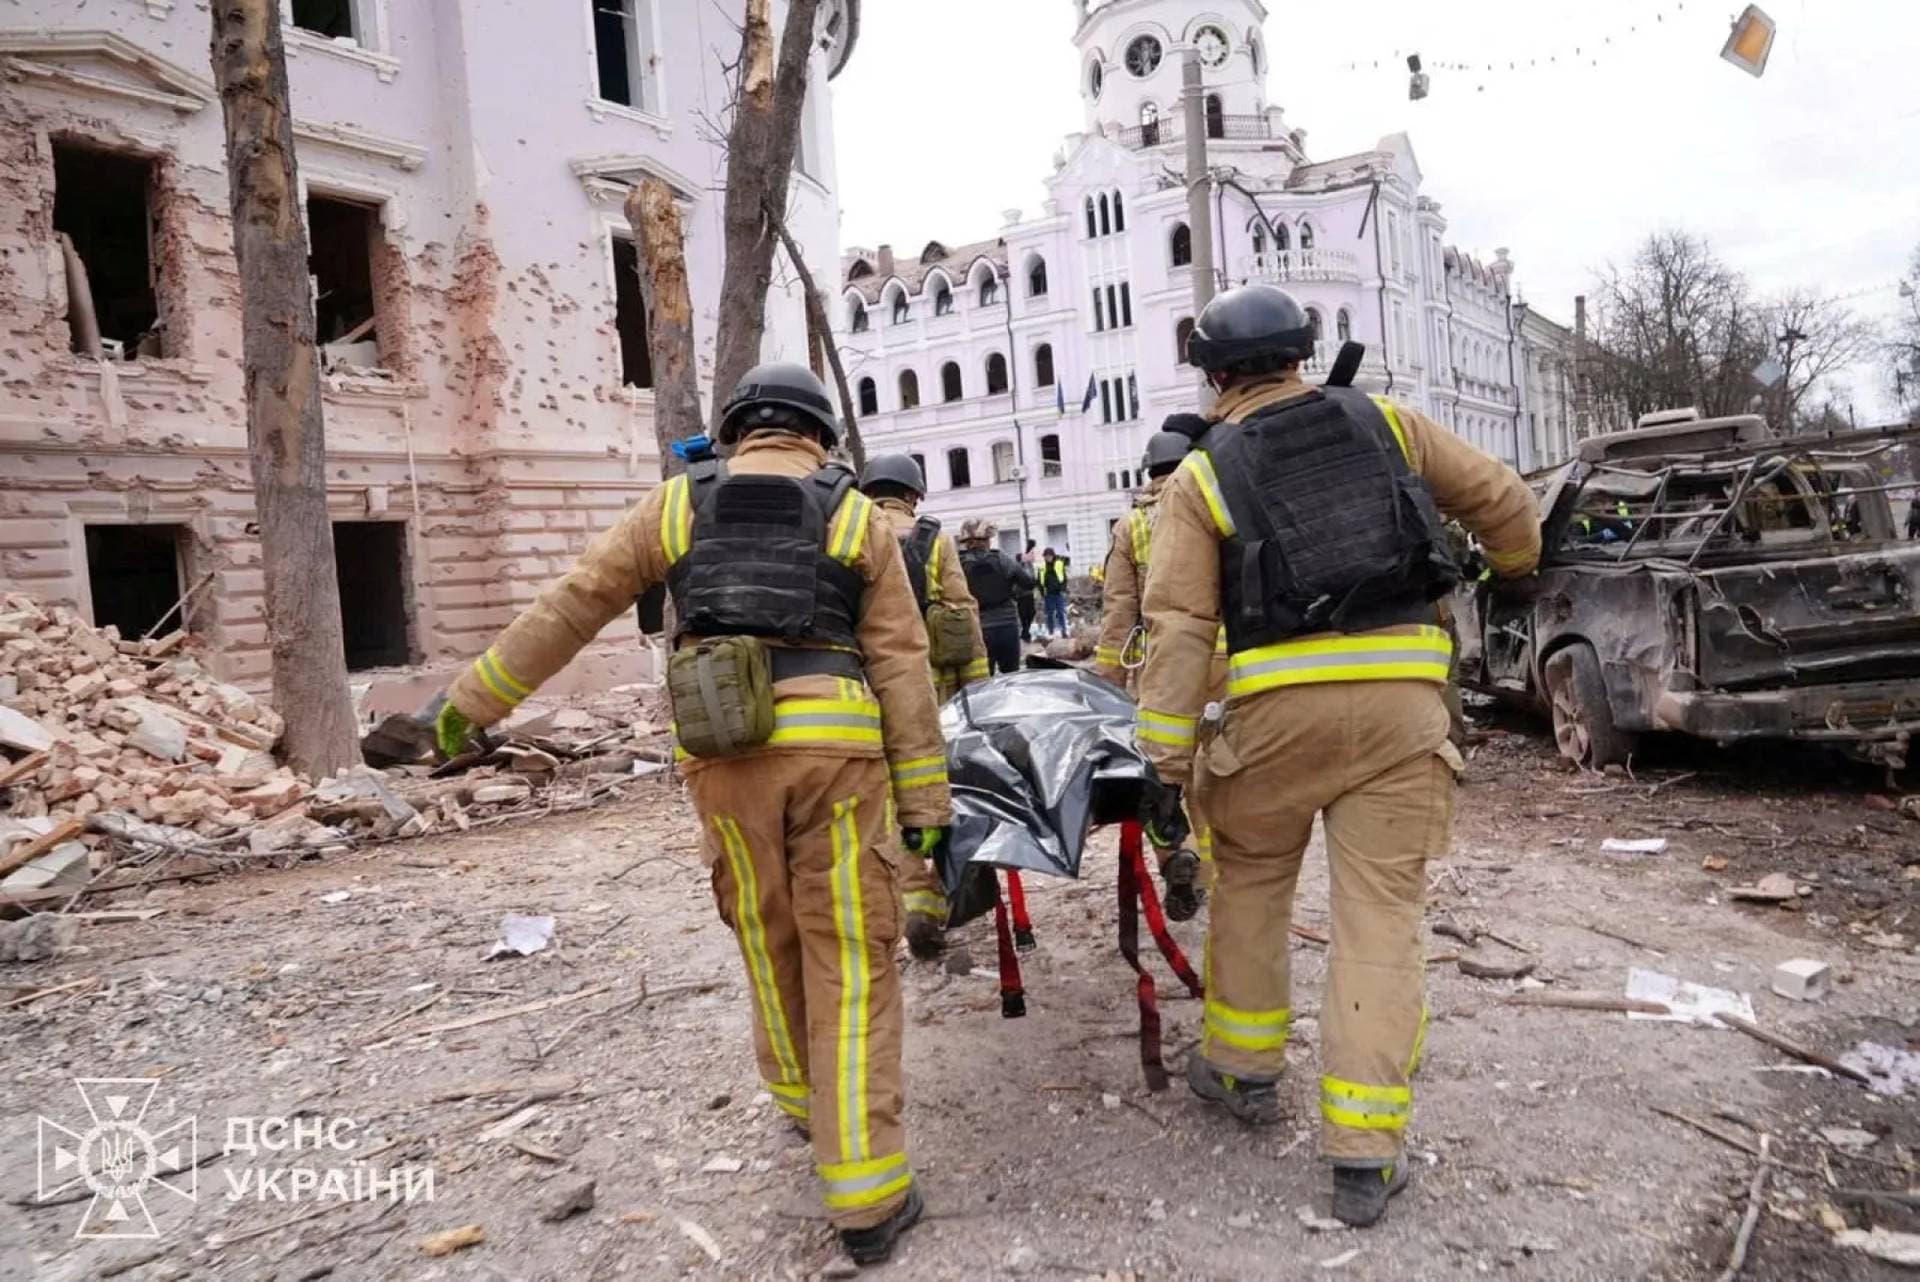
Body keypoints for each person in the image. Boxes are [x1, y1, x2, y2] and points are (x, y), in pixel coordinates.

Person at [433, 364, 946, 1265]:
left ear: (740, 429)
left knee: (767, 933)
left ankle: (800, 1104)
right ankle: (865, 1190)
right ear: (820, 437)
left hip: (723, 757)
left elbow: (575, 602)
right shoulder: (859, 516)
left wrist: (476, 699)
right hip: (839, 764)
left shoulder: (677, 505)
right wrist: (925, 804)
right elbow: (902, 666)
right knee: (853, 962)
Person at [1136, 286, 1540, 1229]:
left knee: (1252, 886)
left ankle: (1240, 1071)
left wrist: (1162, 769)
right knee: (1379, 919)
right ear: (1302, 355)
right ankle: (1364, 1154)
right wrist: (1515, 572)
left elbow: (1181, 631)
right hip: (1404, 712)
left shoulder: (1198, 477)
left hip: (1274, 721)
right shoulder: (1388, 424)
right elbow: (1505, 503)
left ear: (1214, 375)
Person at [860, 452, 989, 958]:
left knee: (891, 798)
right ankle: (950, 885)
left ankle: (916, 901)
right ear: (913, 494)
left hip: (869, 691)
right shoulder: (935, 540)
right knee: (937, 788)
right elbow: (963, 619)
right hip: (932, 689)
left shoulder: (847, 531)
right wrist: (976, 695)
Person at [1093, 418, 1218, 921]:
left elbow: (1119, 612)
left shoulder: (1133, 525)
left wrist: (1107, 688)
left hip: (1159, 665)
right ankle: (1212, 871)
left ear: (1148, 472)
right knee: (1215, 774)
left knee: (1161, 774)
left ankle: (1175, 857)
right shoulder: (1213, 503)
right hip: (1226, 660)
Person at [958, 521, 1032, 675]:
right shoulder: (1001, 558)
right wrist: (1026, 566)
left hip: (978, 629)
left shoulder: (959, 563)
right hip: (1007, 625)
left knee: (984, 680)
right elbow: (1027, 582)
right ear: (986, 540)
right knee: (1011, 677)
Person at [1039, 548, 1071, 638]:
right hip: (1048, 594)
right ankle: (1051, 632)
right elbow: (1039, 581)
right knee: (1050, 613)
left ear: (1053, 556)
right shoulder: (1042, 567)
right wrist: (1042, 593)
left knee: (1061, 612)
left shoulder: (1059, 564)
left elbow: (1064, 578)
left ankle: (1063, 631)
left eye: (1049, 556)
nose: (1048, 558)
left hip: (1058, 593)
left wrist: (1063, 589)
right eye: (1046, 556)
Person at [1017, 540, 1040, 641]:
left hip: (1029, 593)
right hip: (1021, 594)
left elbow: (1027, 559)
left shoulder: (1029, 566)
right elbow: (1024, 558)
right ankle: (1025, 633)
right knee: (1023, 615)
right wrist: (1029, 547)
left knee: (1031, 613)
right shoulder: (1019, 566)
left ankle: (1025, 632)